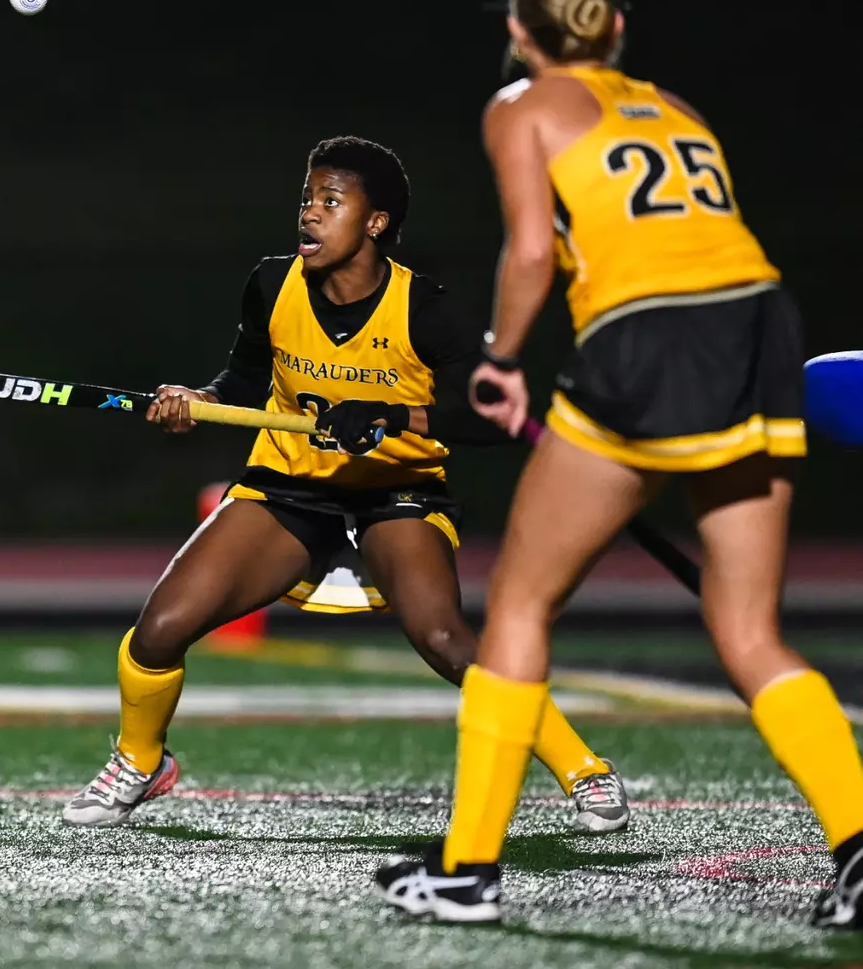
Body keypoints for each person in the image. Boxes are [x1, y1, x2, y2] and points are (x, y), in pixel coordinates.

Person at [375, 0, 863, 928]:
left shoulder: (517, 106)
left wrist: (499, 359)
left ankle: (466, 869)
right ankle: (858, 846)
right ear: (616, 28)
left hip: (649, 338)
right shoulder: (674, 107)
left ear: (516, 32)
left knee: (517, 601)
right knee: (748, 629)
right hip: (759, 320)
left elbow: (527, 250)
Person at [62, 136, 627, 835]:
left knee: (446, 638)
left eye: (332, 202)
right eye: (308, 200)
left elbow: (497, 419)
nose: (310, 215)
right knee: (160, 630)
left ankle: (584, 769)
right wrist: (194, 400)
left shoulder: (426, 307)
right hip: (288, 487)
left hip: (396, 492)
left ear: (376, 222)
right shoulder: (272, 284)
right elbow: (240, 380)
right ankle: (142, 759)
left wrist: (394, 415)